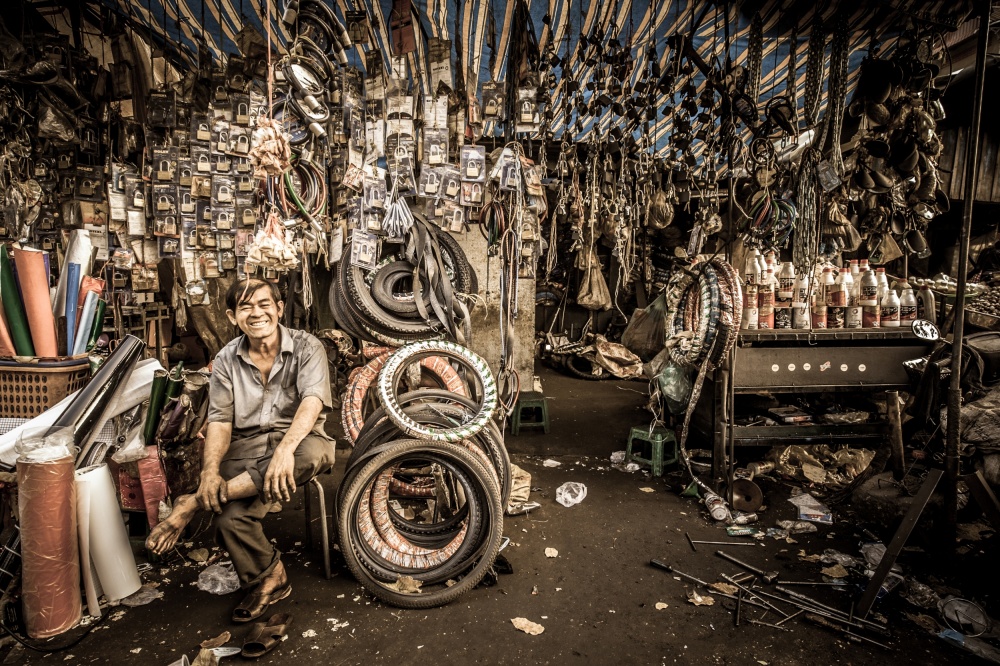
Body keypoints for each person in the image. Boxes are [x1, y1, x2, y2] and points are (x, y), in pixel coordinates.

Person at [146, 277, 336, 622]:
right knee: (229, 519)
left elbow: (312, 401)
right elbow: (219, 420)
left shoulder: (308, 347)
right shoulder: (225, 359)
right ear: (233, 317)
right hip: (248, 446)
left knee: (308, 456)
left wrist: (284, 451)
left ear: (279, 309)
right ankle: (270, 578)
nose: (256, 313)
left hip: (302, 439)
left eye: (264, 304)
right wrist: (209, 472)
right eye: (246, 307)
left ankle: (191, 503)